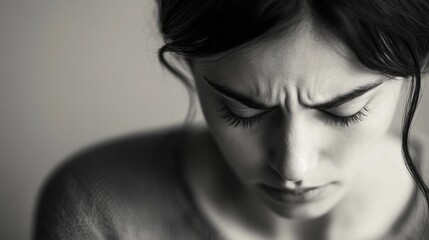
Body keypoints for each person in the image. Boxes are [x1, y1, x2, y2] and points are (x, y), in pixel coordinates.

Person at [35, 1, 429, 239]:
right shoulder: (98, 207)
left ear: (414, 69)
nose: (294, 167)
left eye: (344, 111)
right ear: (187, 66)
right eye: (244, 111)